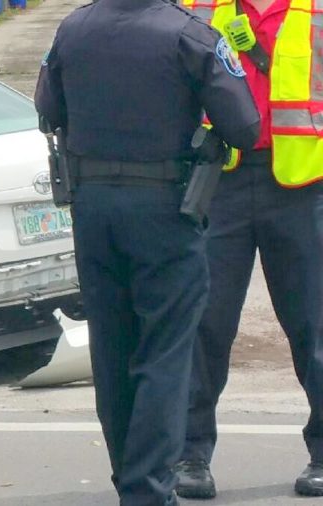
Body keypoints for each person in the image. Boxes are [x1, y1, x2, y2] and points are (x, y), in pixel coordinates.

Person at [34, 0, 261, 503]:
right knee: (164, 353)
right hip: (165, 209)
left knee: (112, 349)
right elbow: (245, 126)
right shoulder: (189, 33)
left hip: (92, 208)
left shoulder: (73, 27)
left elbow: (47, 108)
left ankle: (130, 481)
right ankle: (148, 490)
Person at [175, 0, 323, 498]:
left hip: (307, 186)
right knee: (203, 324)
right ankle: (189, 456)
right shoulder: (196, 10)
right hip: (223, 181)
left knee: (315, 325)